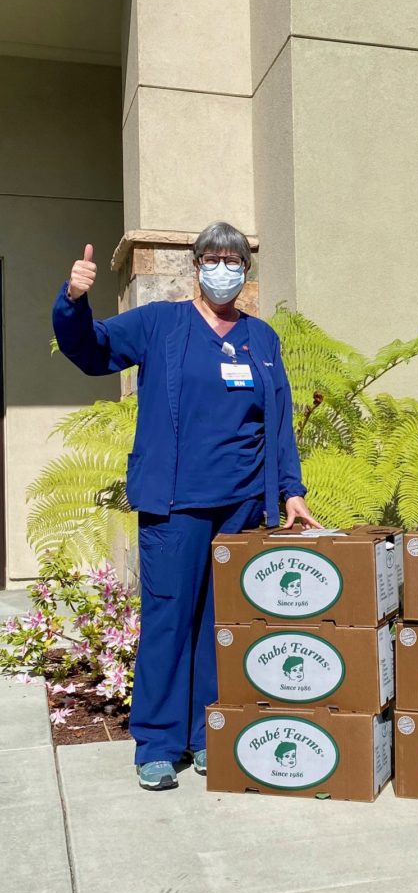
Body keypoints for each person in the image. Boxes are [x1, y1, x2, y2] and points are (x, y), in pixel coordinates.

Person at [53, 221, 320, 791]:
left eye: (234, 260)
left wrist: (289, 491)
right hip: (175, 506)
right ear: (196, 266)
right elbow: (91, 351)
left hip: (243, 507)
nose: (223, 269)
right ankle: (157, 742)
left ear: (245, 272)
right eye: (213, 259)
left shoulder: (262, 338)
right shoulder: (160, 324)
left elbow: (277, 423)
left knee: (218, 625)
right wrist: (74, 301)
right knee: (169, 620)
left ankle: (206, 735)